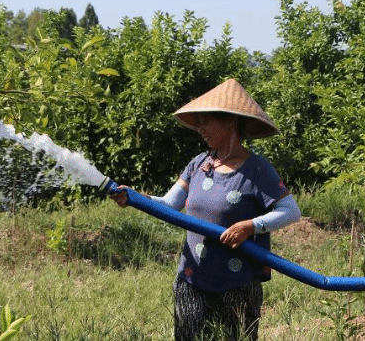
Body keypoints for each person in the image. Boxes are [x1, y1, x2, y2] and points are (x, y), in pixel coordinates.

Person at [110, 78, 301, 341]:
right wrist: (135, 198)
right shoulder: (199, 163)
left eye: (206, 121)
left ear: (230, 122)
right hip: (192, 279)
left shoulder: (257, 169)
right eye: (197, 122)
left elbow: (291, 210)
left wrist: (250, 226)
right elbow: (168, 205)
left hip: (237, 284)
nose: (200, 128)